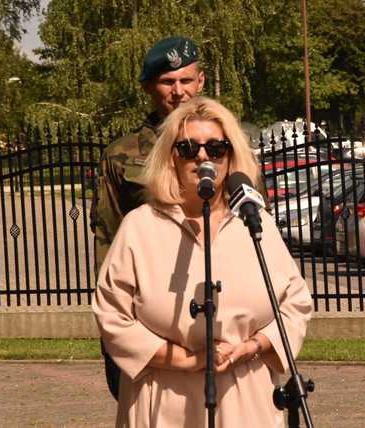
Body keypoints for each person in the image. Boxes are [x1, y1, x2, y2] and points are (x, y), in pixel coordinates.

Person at [92, 96, 313, 427]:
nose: (202, 157)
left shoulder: (255, 221)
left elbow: (295, 303)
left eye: (216, 149)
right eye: (188, 149)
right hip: (162, 398)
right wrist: (185, 361)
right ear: (171, 158)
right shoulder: (140, 226)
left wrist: (253, 346)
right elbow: (111, 315)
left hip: (245, 396)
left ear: (231, 156)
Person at [90, 36, 205, 400]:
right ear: (148, 87)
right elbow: (108, 238)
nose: (178, 92)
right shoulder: (122, 155)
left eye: (186, 81)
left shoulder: (228, 145)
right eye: (167, 82)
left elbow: (256, 230)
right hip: (149, 310)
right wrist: (117, 321)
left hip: (215, 304)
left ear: (201, 82)